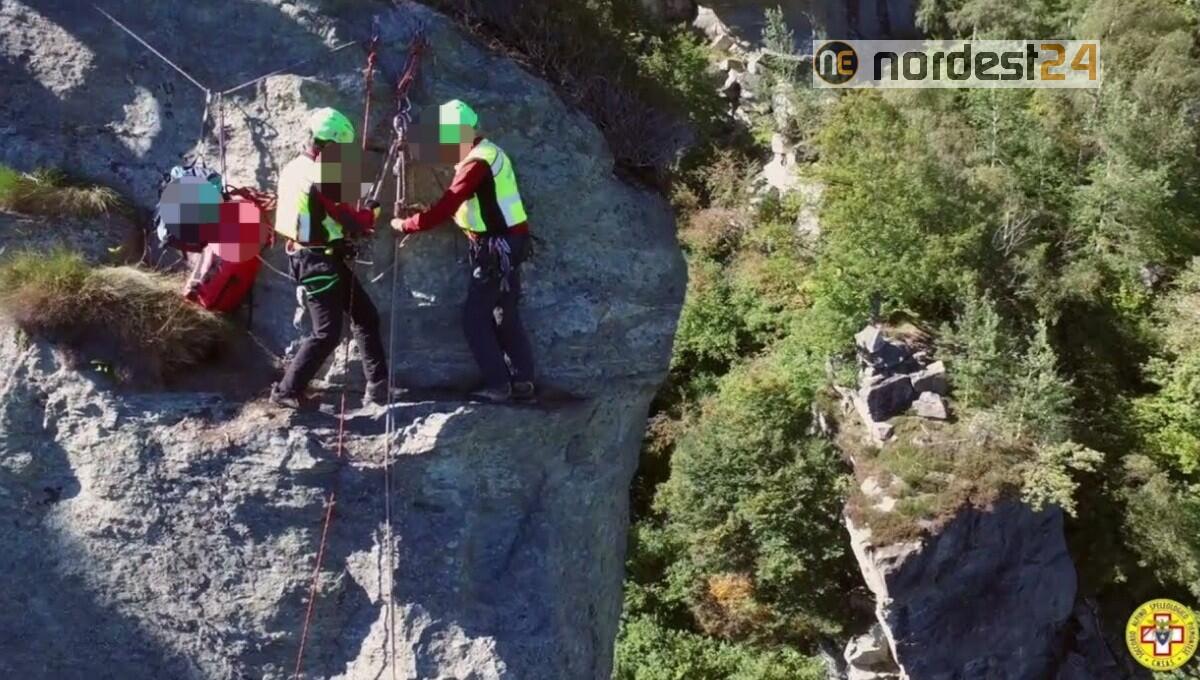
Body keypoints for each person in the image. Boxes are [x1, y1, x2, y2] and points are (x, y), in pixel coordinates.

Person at [392, 100, 535, 403]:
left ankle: (499, 385)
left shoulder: (476, 162)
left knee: (475, 318)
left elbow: (448, 204)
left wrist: (407, 224)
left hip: (496, 247)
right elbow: (480, 204)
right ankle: (522, 380)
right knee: (503, 313)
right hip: (511, 243)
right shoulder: (490, 152)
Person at [270, 107, 389, 409]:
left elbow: (323, 207)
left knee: (366, 316)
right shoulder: (320, 175)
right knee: (327, 333)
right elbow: (352, 221)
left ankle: (378, 387)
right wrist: (371, 213)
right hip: (317, 262)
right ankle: (286, 391)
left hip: (320, 258)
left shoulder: (294, 168)